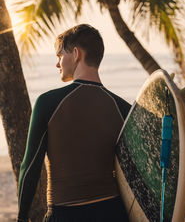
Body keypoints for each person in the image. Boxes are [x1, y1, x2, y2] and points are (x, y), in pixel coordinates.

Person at [17, 24, 131, 222]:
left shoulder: (48, 103)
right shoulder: (124, 109)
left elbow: (30, 167)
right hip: (113, 213)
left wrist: (21, 217)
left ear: (76, 54)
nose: (57, 64)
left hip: (66, 215)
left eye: (59, 56)